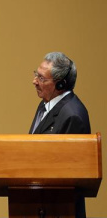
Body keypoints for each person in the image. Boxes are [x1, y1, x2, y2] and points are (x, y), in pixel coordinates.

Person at [30, 51, 90, 218]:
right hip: (41, 205)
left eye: (42, 78)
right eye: (36, 74)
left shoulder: (72, 115)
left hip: (59, 210)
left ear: (61, 85)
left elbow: (70, 178)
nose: (34, 81)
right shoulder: (46, 104)